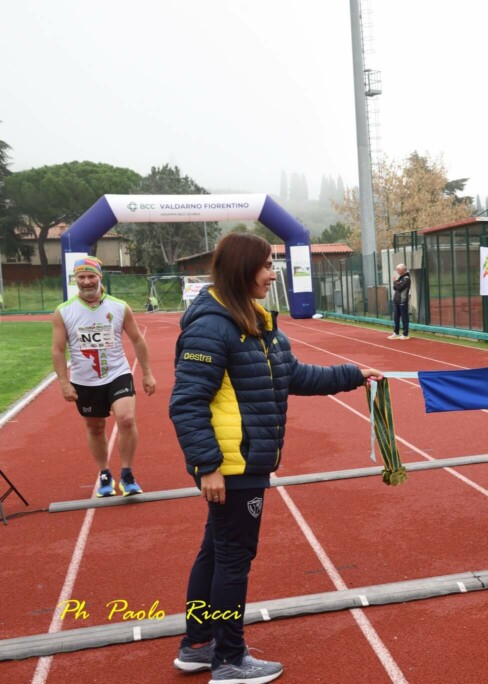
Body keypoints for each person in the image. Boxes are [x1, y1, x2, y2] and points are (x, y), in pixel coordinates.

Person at [169, 233, 382, 681]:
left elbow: (292, 374)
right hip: (233, 464)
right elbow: (187, 402)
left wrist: (351, 374)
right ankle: (229, 659)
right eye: (266, 265)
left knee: (214, 552)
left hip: (242, 461)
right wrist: (208, 465)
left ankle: (198, 644)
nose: (272, 274)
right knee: (232, 559)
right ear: (242, 268)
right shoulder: (213, 325)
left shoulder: (255, 320)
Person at [51, 257, 156, 498]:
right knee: (96, 427)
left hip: (117, 373)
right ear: (75, 279)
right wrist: (64, 383)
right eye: (81, 277)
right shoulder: (64, 311)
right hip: (84, 379)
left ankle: (127, 473)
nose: (86, 281)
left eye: (91, 276)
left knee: (126, 419)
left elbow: (138, 339)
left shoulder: (119, 306)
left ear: (100, 277)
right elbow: (57, 350)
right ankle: (105, 473)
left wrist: (147, 373)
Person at [389, 263, 411, 340]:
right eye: (397, 269)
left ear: (403, 270)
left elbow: (399, 287)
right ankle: (396, 333)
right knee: (396, 318)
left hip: (403, 301)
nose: (397, 271)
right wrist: (396, 283)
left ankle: (405, 334)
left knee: (404, 318)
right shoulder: (400, 278)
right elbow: (395, 287)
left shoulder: (406, 278)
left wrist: (395, 282)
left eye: (398, 269)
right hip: (397, 301)